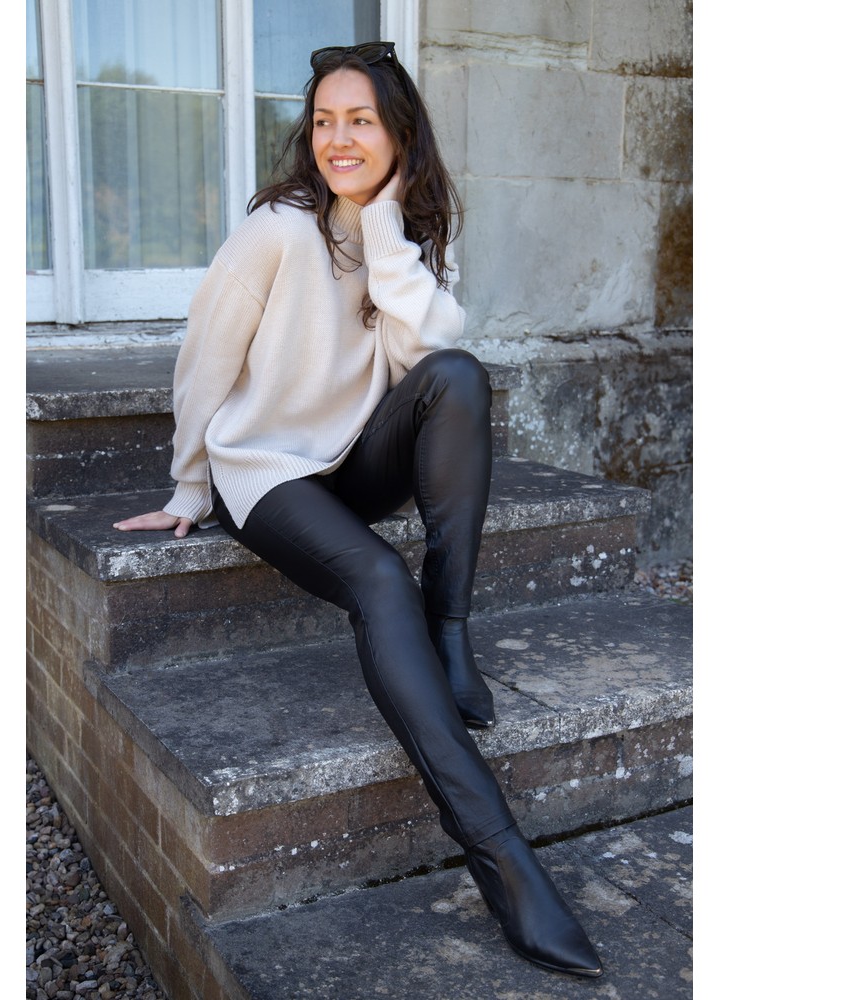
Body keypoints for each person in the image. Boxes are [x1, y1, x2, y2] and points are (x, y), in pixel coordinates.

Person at [114, 41, 602, 979]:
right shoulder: (276, 232)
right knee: (378, 577)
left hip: (347, 458)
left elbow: (428, 353)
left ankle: (450, 631)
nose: (338, 139)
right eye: (324, 121)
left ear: (399, 136)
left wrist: (384, 233)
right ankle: (502, 858)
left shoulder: (396, 236)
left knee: (459, 376)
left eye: (361, 120)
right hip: (266, 472)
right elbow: (204, 360)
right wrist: (189, 485)